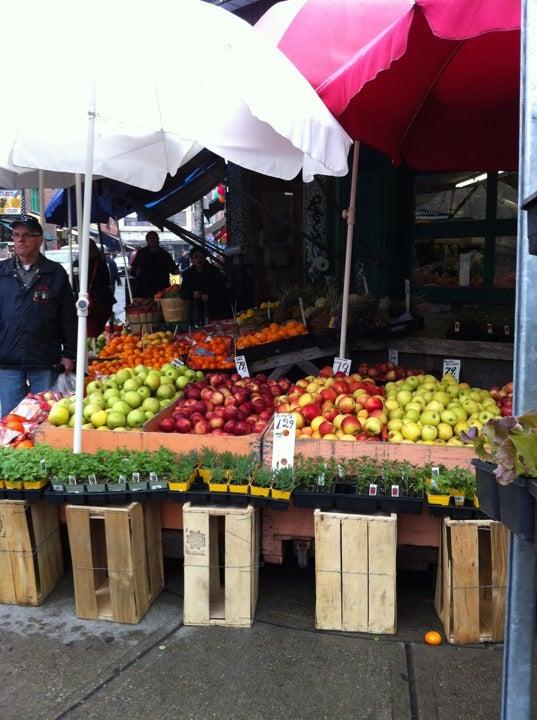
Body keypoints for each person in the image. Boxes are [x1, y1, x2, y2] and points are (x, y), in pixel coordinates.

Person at [0, 216, 76, 415]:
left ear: (40, 240)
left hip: (44, 357)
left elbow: (68, 317)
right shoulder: (2, 271)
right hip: (8, 359)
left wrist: (69, 353)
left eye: (26, 235)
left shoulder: (55, 273)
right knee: (11, 418)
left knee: (44, 416)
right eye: (16, 235)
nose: (20, 240)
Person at [74, 240, 115, 338]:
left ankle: (91, 349)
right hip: (102, 301)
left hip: (88, 302)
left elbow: (75, 284)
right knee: (100, 330)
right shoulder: (100, 263)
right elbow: (106, 280)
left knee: (89, 331)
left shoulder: (77, 264)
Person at [180, 247, 232, 322]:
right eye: (196, 257)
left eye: (201, 256)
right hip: (196, 312)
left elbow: (222, 288)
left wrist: (209, 295)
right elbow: (183, 293)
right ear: (192, 259)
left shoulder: (214, 271)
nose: (199, 259)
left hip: (216, 309)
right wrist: (192, 294)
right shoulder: (187, 274)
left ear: (205, 258)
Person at [131, 231, 178, 298]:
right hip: (144, 289)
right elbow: (134, 268)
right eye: (150, 238)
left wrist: (176, 285)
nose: (152, 240)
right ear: (147, 240)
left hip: (161, 289)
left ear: (158, 240)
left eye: (154, 238)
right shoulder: (141, 253)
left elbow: (174, 270)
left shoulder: (164, 254)